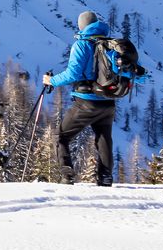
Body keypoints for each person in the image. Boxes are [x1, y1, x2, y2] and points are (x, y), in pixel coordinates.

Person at [43, 11, 117, 186]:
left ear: (82, 26)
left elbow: (73, 74)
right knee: (103, 138)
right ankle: (105, 177)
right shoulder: (110, 44)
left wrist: (51, 80)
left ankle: (67, 176)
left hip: (87, 101)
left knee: (61, 136)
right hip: (108, 102)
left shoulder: (82, 44)